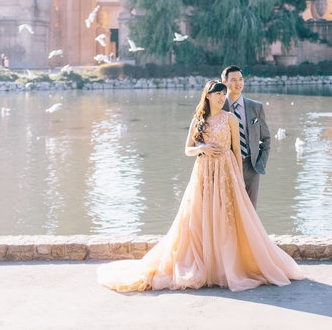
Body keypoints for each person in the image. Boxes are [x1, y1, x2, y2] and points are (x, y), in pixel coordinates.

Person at [97, 80, 302, 292]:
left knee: (227, 217)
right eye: (218, 95)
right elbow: (187, 150)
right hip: (204, 172)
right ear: (208, 96)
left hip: (226, 171)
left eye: (224, 95)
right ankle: (203, 264)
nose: (222, 98)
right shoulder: (199, 120)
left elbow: (237, 151)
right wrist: (201, 147)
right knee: (198, 215)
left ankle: (226, 265)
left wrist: (239, 179)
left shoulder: (230, 119)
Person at [221, 65, 270, 207]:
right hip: (227, 167)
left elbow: (266, 139)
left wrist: (260, 164)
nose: (238, 83)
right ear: (225, 83)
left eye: (241, 79)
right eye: (234, 80)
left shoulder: (256, 107)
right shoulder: (219, 108)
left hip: (251, 167)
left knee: (250, 212)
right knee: (229, 210)